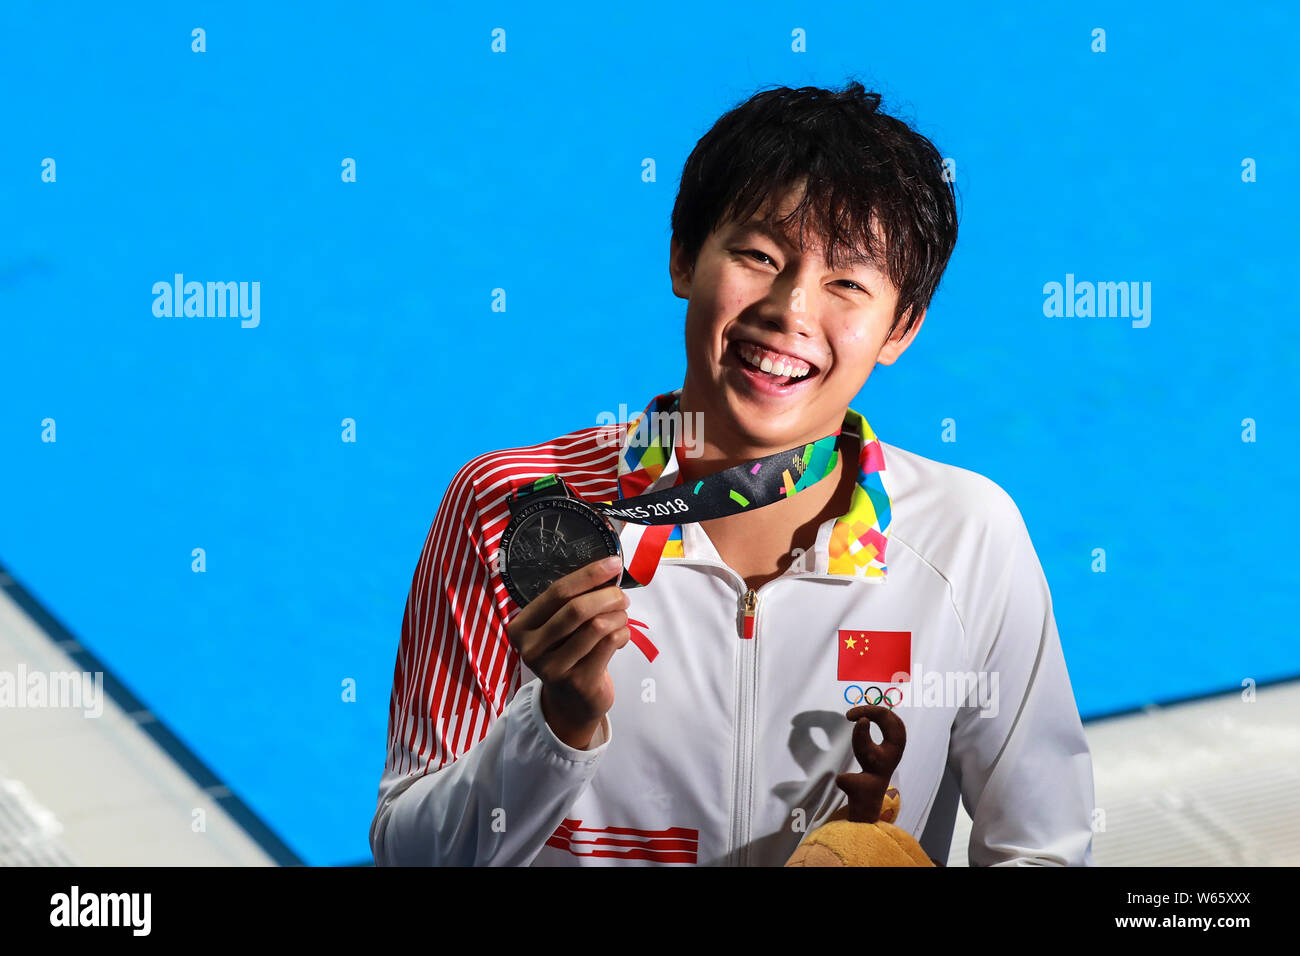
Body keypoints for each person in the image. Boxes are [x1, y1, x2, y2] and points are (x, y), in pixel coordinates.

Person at [369, 80, 1096, 866]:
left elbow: (1043, 847)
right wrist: (555, 723)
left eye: (848, 283)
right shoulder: (518, 507)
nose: (791, 309)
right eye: (758, 255)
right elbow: (411, 852)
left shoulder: (966, 537)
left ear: (901, 329)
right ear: (684, 255)